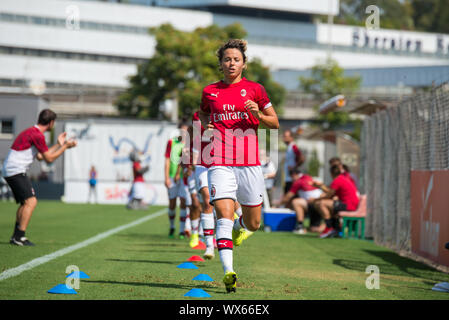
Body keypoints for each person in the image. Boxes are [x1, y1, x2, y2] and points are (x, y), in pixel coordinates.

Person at [198, 39, 279, 293]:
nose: (231, 63)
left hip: (249, 164)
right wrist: (206, 126)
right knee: (223, 213)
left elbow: (274, 123)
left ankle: (239, 228)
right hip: (219, 161)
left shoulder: (256, 89)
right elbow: (202, 113)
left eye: (236, 59)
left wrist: (258, 114)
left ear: (243, 64)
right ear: (220, 64)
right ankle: (229, 272)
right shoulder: (209, 91)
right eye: (226, 59)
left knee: (254, 223)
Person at [2, 109, 77, 246]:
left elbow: (41, 156)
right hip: (16, 170)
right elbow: (48, 159)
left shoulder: (32, 132)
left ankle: (16, 236)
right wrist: (65, 146)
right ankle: (19, 237)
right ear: (51, 123)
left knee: (25, 203)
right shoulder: (37, 135)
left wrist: (59, 144)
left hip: (11, 170)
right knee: (31, 202)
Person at [312, 164, 359, 239]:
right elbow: (331, 193)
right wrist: (320, 186)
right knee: (326, 204)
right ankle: (335, 229)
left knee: (321, 203)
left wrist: (315, 199)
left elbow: (329, 195)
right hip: (351, 204)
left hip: (348, 205)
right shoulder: (342, 178)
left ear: (331, 173)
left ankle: (328, 228)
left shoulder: (337, 180)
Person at [164, 122, 190, 239]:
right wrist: (166, 177)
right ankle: (172, 227)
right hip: (172, 176)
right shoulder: (172, 142)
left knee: (184, 202)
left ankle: (181, 230)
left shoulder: (190, 144)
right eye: (182, 131)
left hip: (184, 177)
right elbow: (167, 160)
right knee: (172, 204)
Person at [278, 168, 323, 235]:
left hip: (315, 204)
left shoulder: (298, 182)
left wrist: (277, 204)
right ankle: (328, 227)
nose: (292, 180)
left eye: (291, 177)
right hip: (317, 203)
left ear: (294, 175)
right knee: (313, 229)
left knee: (296, 202)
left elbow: (288, 197)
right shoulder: (307, 176)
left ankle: (300, 226)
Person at [282, 129, 304, 195]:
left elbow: (302, 158)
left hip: (292, 179)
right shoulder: (289, 147)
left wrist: (294, 167)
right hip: (288, 178)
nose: (284, 138)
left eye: (286, 136)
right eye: (284, 136)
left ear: (291, 137)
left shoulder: (293, 146)